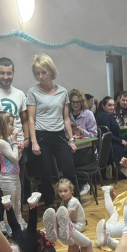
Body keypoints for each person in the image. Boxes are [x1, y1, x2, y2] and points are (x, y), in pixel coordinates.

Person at [26, 54, 79, 207]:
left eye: (43, 72)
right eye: (37, 73)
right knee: (46, 174)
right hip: (42, 136)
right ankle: (49, 204)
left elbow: (66, 118)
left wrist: (71, 139)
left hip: (59, 136)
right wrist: (34, 142)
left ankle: (72, 202)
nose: (40, 76)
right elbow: (31, 119)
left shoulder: (62, 92)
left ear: (51, 71)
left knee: (69, 171)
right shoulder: (33, 92)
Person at [0, 111, 24, 228]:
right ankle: (9, 228)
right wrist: (15, 143)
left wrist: (19, 150)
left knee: (18, 204)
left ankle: (19, 227)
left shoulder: (7, 141)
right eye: (11, 124)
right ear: (2, 125)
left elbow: (16, 159)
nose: (13, 127)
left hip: (14, 177)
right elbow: (14, 159)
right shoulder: (0, 142)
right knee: (10, 206)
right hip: (7, 178)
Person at [96, 96, 127, 172]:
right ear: (103, 106)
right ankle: (124, 167)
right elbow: (108, 135)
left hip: (112, 141)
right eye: (109, 105)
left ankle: (124, 167)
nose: (112, 107)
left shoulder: (108, 115)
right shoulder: (104, 117)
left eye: (113, 105)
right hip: (109, 145)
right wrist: (120, 141)